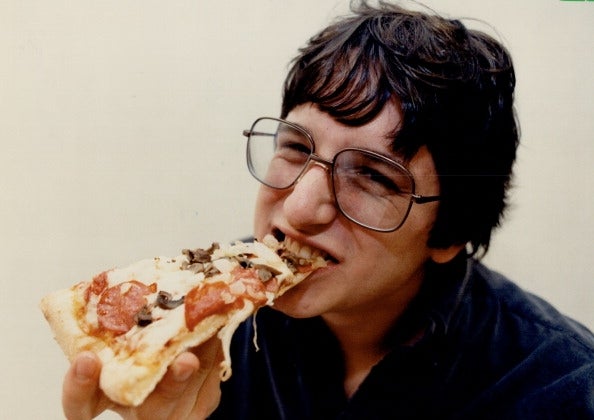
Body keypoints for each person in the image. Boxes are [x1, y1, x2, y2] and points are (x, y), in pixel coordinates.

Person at [61, 1, 594, 419]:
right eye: (295, 146)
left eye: (372, 176)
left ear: (449, 232)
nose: (299, 208)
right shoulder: (205, 327)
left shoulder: (560, 389)